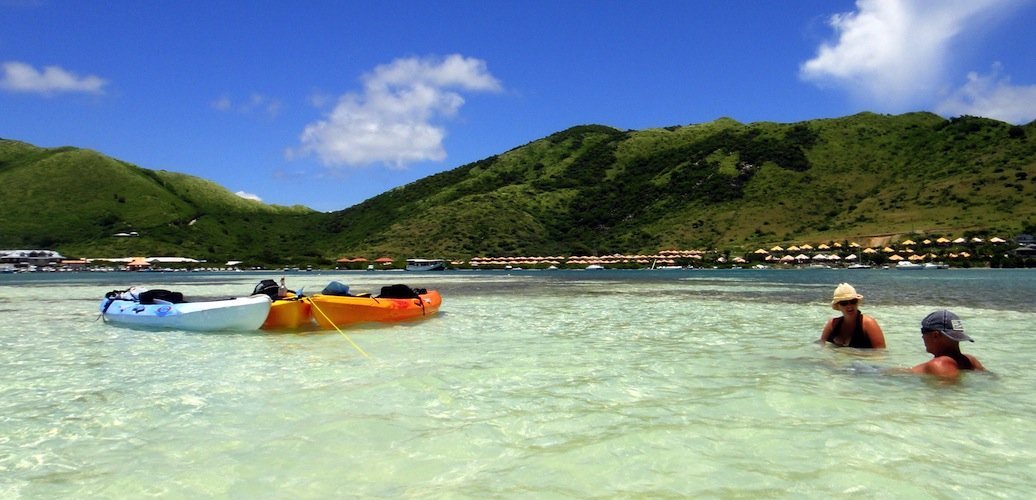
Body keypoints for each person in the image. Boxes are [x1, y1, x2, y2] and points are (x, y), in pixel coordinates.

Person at [911, 310, 985, 377]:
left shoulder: (939, 364)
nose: (922, 337)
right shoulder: (971, 361)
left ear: (935, 335)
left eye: (923, 331)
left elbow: (950, 390)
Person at [819, 283, 886, 348]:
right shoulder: (832, 324)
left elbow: (880, 354)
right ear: (838, 306)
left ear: (857, 302)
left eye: (853, 301)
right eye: (844, 303)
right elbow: (821, 347)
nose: (849, 306)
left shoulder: (868, 323)